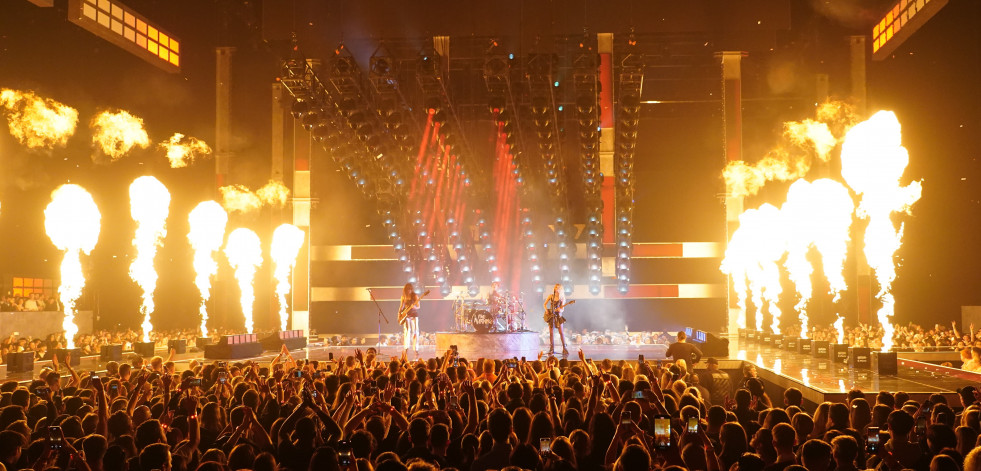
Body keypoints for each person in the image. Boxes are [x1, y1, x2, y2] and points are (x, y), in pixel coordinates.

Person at [543, 284, 571, 356]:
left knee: (561, 332)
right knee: (551, 333)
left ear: (560, 289)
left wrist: (559, 310)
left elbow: (562, 309)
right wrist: (546, 310)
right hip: (551, 316)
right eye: (555, 287)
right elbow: (545, 304)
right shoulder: (551, 296)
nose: (556, 288)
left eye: (558, 288)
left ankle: (564, 348)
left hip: (558, 316)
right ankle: (551, 348)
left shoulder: (562, 298)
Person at [399, 283, 421, 355]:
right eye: (408, 289)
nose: (409, 290)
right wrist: (399, 314)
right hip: (406, 315)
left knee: (415, 332)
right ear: (405, 290)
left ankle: (416, 349)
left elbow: (418, 306)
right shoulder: (403, 297)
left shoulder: (414, 296)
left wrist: (415, 307)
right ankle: (406, 348)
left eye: (410, 289)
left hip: (414, 315)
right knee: (407, 332)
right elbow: (401, 307)